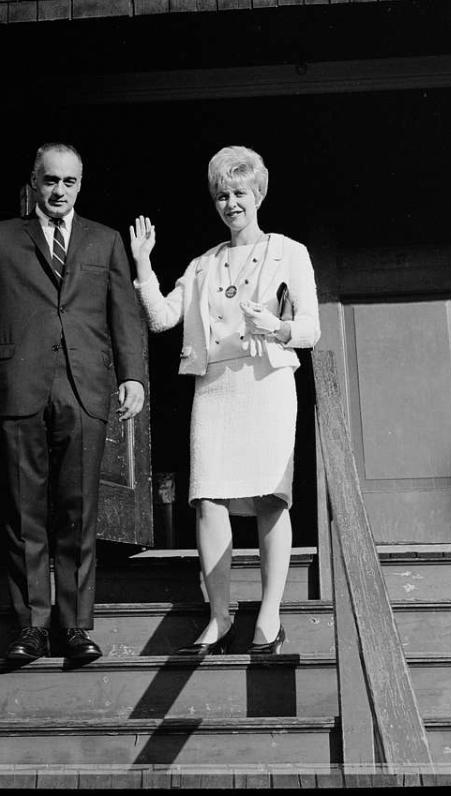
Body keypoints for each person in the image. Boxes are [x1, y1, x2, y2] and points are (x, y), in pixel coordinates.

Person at [0, 144, 146, 662]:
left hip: (84, 387)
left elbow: (125, 312)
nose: (59, 191)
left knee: (78, 511)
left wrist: (134, 374)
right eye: (50, 181)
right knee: (24, 511)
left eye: (69, 182)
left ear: (80, 185)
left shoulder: (106, 240)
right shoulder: (4, 236)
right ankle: (31, 627)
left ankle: (74, 629)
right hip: (20, 385)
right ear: (34, 182)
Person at [129, 145, 319, 656]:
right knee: (207, 496)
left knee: (270, 496)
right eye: (222, 194)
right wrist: (144, 267)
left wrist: (277, 327)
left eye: (239, 192)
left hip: (266, 384)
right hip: (215, 388)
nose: (231, 202)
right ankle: (219, 615)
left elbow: (310, 330)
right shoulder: (203, 264)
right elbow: (162, 318)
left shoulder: (290, 252)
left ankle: (270, 615)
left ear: (258, 194)